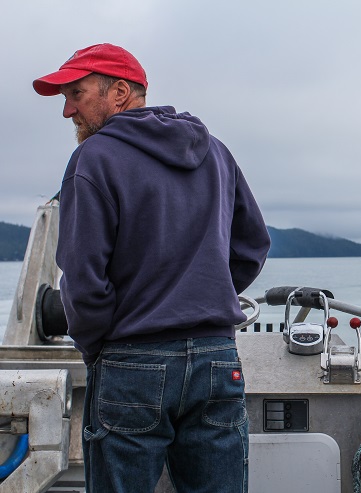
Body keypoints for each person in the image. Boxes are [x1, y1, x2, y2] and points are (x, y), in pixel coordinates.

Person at [33, 43, 271, 492]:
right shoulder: (216, 152)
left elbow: (83, 282)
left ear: (119, 92)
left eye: (76, 94)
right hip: (216, 361)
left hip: (131, 362)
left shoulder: (94, 159)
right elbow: (252, 246)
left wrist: (98, 347)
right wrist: (204, 294)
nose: (67, 111)